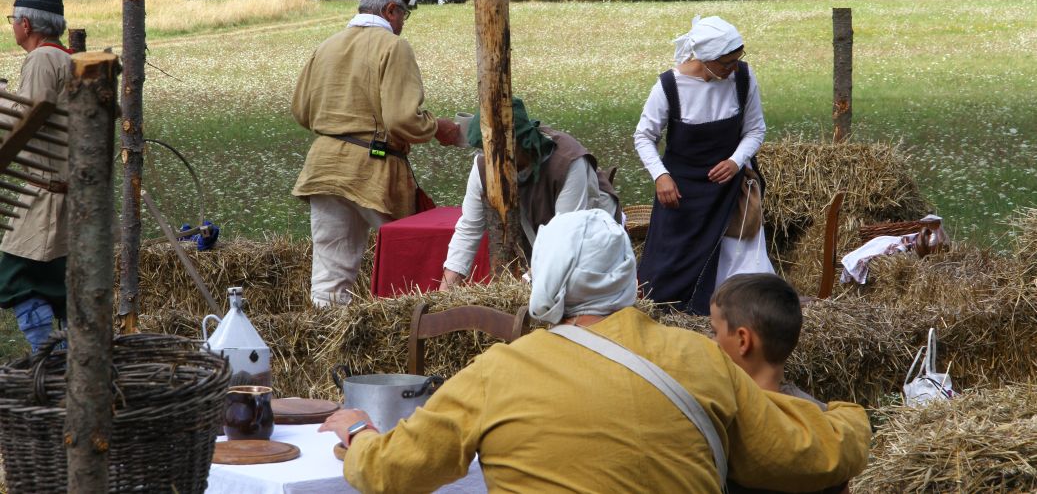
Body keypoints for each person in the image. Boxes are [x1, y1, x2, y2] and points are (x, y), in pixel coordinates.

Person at [321, 209, 871, 493]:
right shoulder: (700, 358)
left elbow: (393, 474)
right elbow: (802, 455)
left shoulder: (496, 372)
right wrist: (851, 418)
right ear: (629, 278)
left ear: (546, 286)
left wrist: (359, 432)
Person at [292, 0, 459, 306]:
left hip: (324, 168)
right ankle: (409, 330)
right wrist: (436, 127)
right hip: (373, 171)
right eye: (403, 15)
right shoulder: (393, 47)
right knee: (409, 266)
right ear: (390, 10)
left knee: (329, 280)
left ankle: (326, 335)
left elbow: (301, 111)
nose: (402, 24)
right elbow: (402, 119)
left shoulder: (327, 46)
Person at [634, 15, 774, 315]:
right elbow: (644, 136)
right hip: (680, 190)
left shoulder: (743, 79)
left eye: (738, 59)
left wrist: (736, 161)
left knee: (737, 262)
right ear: (706, 59)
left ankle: (729, 310)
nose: (734, 67)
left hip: (728, 189)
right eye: (727, 63)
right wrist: (660, 176)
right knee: (664, 276)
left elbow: (755, 130)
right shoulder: (669, 86)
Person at [437, 97, 620, 290]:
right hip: (551, 245)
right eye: (486, 149)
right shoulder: (483, 166)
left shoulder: (568, 161)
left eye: (498, 149)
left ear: (519, 141)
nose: (493, 158)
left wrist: (523, 288)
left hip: (593, 244)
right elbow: (469, 229)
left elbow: (565, 237)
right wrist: (445, 292)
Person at [709, 273, 849, 494]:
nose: (711, 342)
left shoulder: (720, 418)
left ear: (743, 340)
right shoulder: (822, 422)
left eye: (714, 332)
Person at [0, 0, 72, 353]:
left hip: (47, 195)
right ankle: (67, 356)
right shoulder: (65, 58)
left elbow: (30, 116)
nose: (12, 26)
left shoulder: (42, 59)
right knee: (61, 284)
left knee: (15, 277)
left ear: (26, 25)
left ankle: (51, 357)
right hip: (60, 194)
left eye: (13, 20)